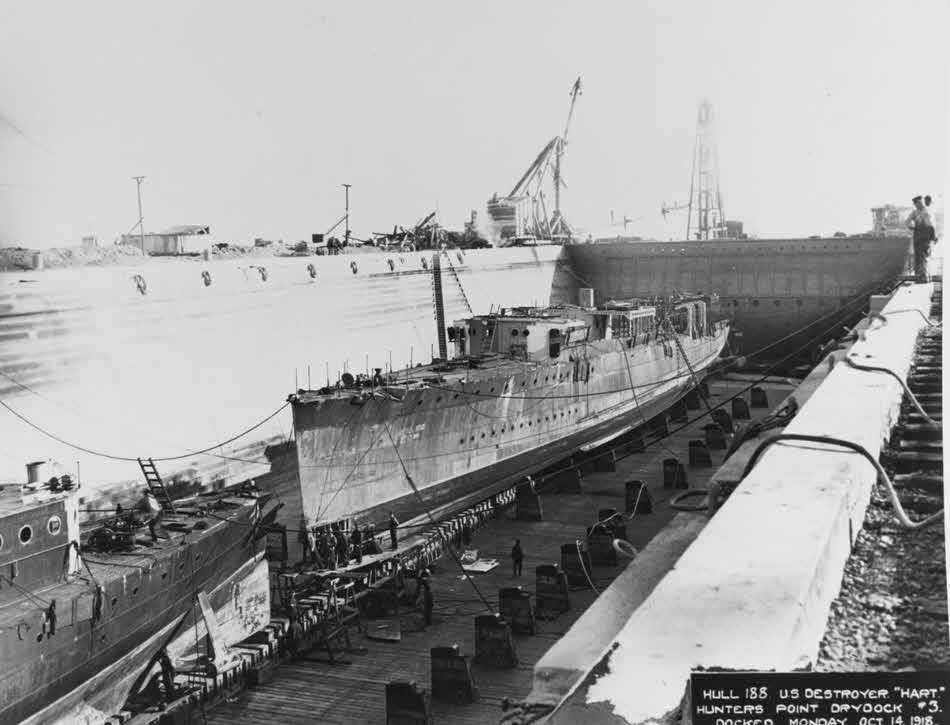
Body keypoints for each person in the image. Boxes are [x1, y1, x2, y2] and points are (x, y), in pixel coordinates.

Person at [907, 196, 936, 282]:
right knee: (921, 257)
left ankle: (923, 277)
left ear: (920, 202)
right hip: (921, 238)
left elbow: (931, 225)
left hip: (923, 238)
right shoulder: (920, 212)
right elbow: (907, 222)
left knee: (923, 257)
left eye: (918, 203)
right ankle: (922, 277)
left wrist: (912, 226)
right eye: (916, 204)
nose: (917, 205)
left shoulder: (924, 212)